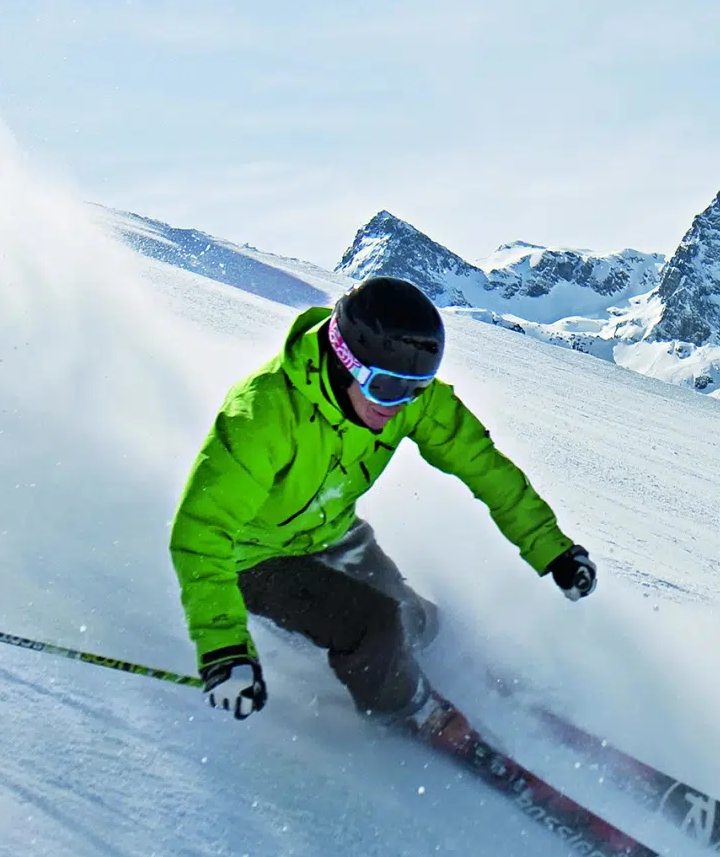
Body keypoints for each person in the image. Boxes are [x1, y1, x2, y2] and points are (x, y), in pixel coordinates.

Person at [168, 276, 597, 725]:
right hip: (252, 558)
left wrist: (554, 550)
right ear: (345, 361)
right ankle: (406, 710)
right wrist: (224, 651)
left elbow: (484, 466)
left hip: (332, 531)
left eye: (417, 388)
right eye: (387, 388)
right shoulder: (263, 416)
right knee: (375, 624)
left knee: (411, 615)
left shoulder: (404, 396)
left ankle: (463, 673)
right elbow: (201, 531)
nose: (399, 404)